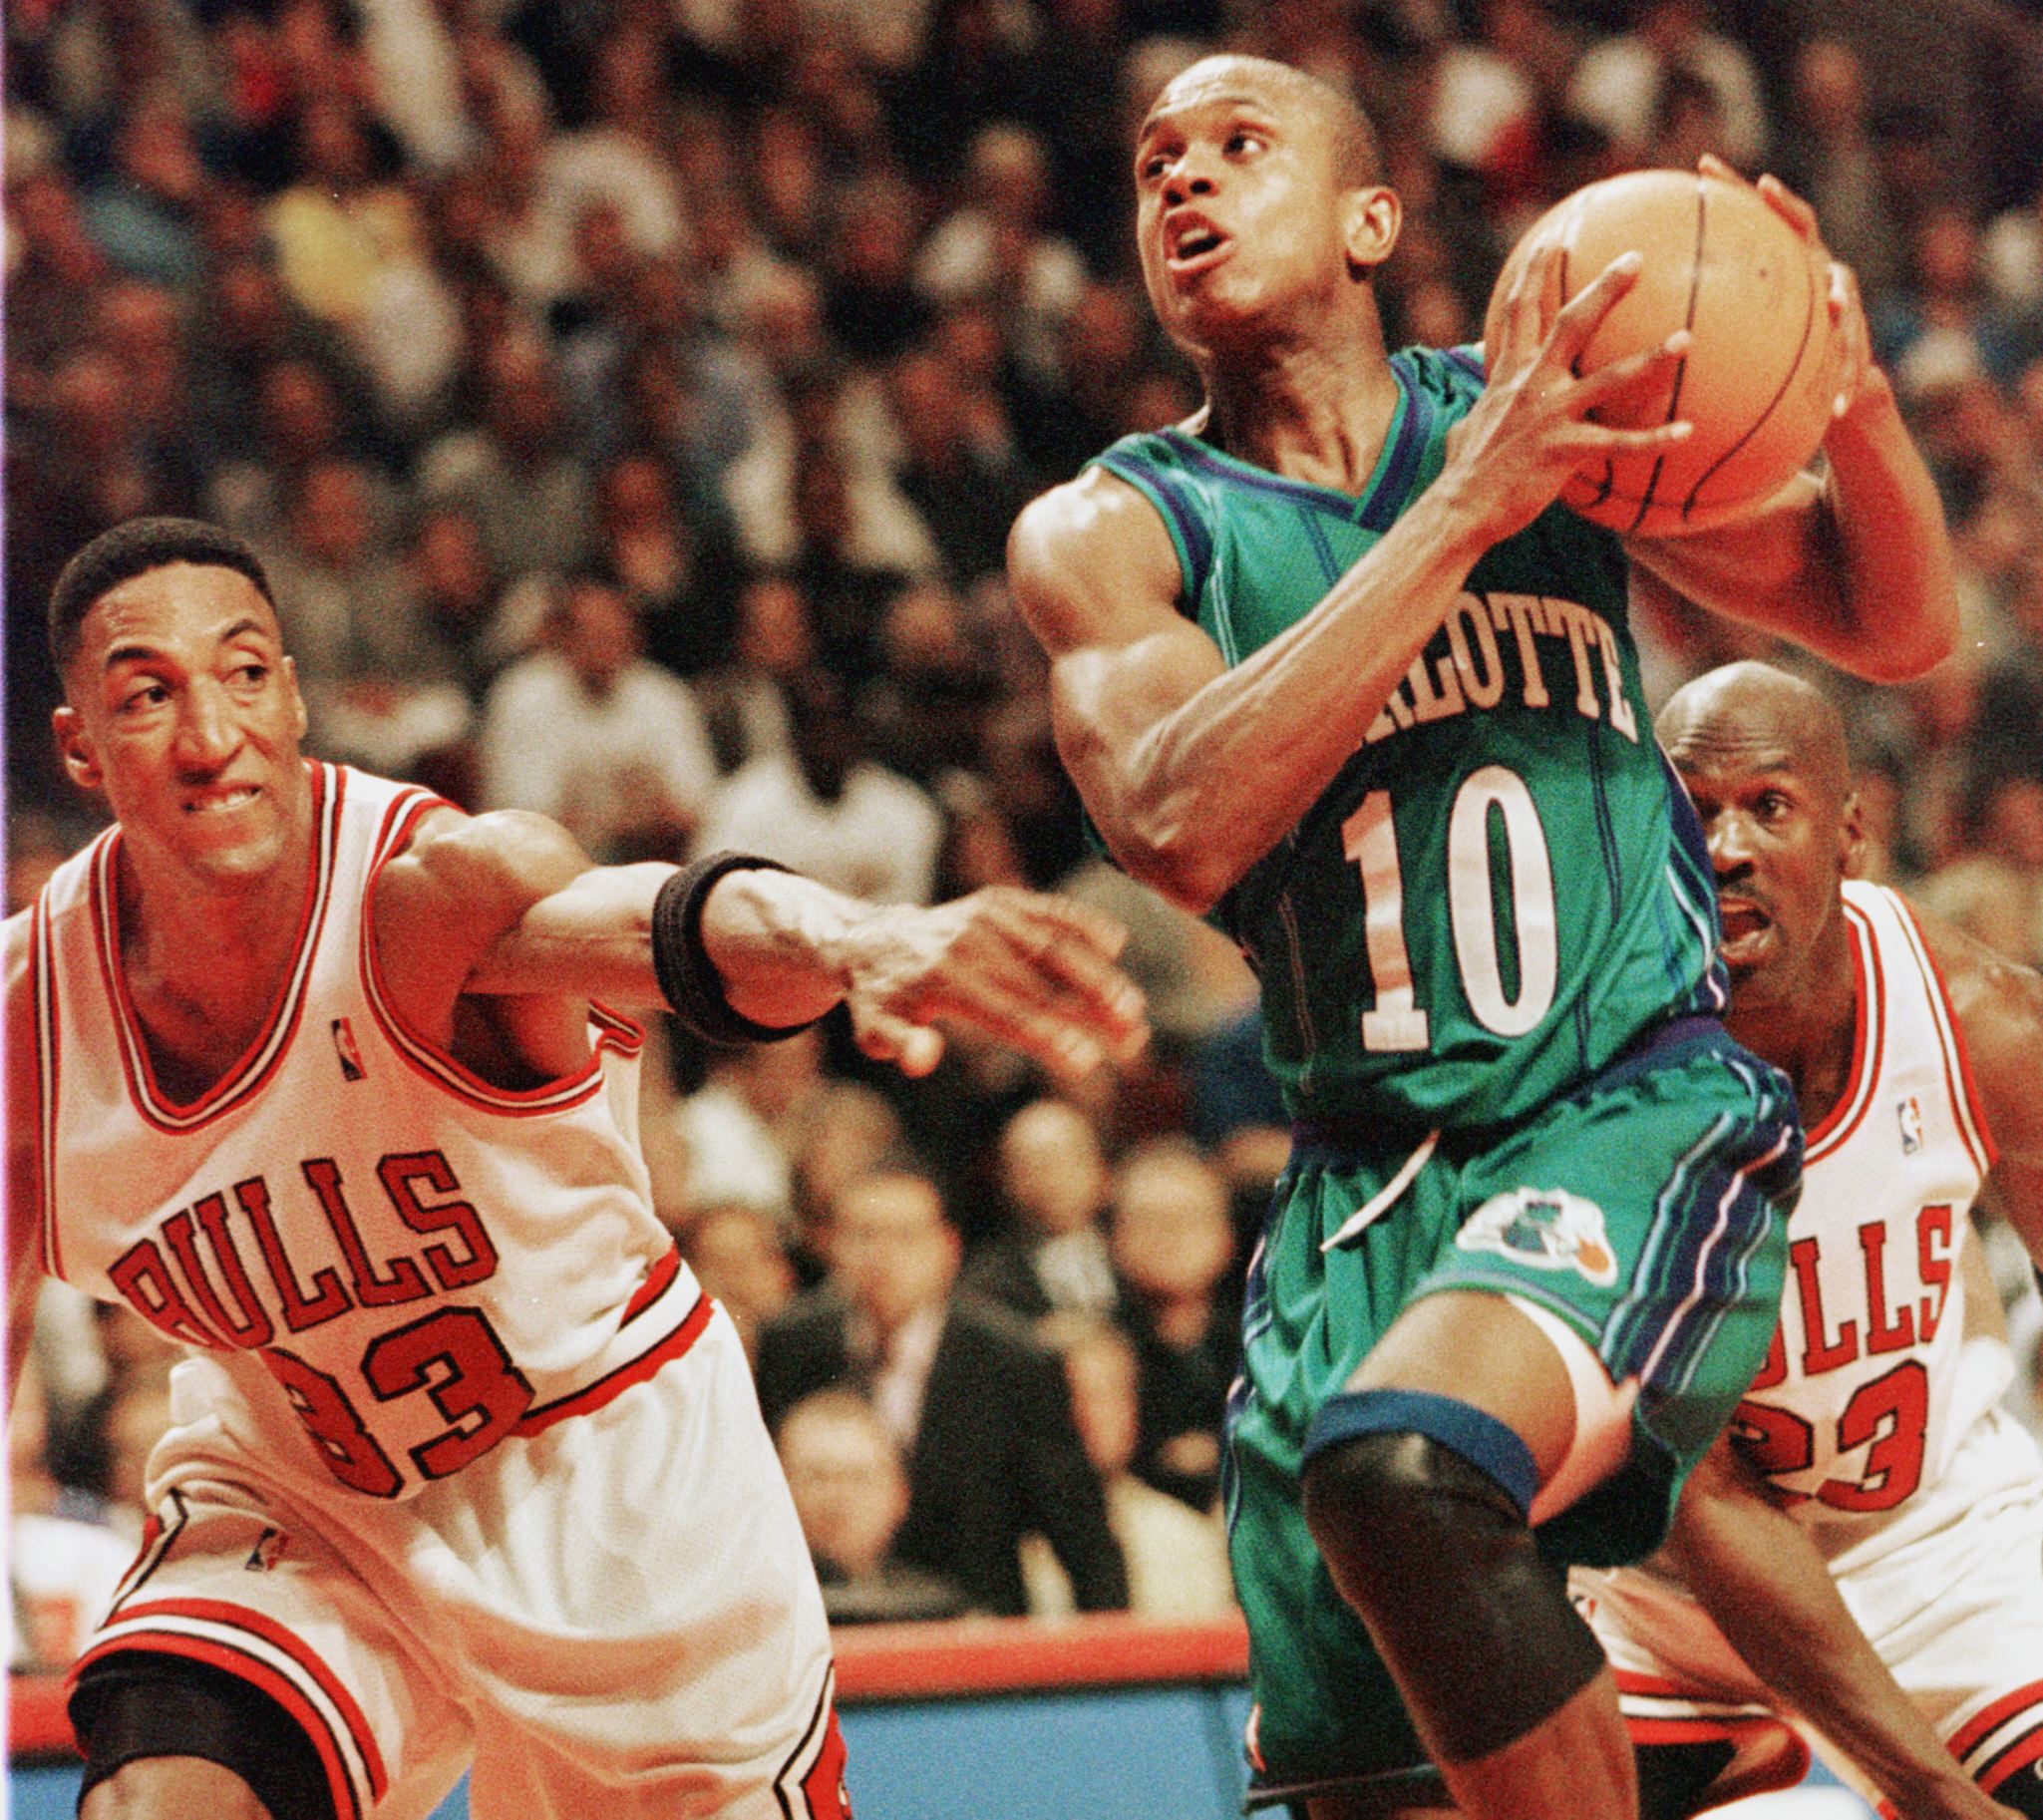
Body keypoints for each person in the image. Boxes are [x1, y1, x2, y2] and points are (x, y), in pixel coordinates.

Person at [1006, 52, 1957, 1820]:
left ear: (1371, 220)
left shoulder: (1545, 417)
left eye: (1236, 147)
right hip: (1359, 1189)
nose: (1184, 183)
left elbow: (1890, 625)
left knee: (1398, 1472)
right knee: (1362, 1781)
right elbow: (1174, 822)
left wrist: (1847, 402)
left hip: (1617, 1106)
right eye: (1152, 167)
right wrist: (1463, 510)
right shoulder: (1111, 529)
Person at [3, 516, 1148, 1820]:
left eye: (247, 672)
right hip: (310, 1501)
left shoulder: (426, 895)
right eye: (149, 693)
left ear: (298, 694)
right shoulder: (31, 1032)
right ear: (78, 745)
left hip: (610, 1489)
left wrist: (858, 935)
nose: (212, 735)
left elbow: (663, 926)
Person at [1572, 661, 2043, 1820]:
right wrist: (1935, 1797)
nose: (1724, 846)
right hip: (1669, 1591)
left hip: (1941, 1540)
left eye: (1767, 807)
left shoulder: (1981, 1019)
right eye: (1693, 811)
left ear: (1851, 838)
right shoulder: (1591, 1084)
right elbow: (1706, 1492)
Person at [753, 1168, 1129, 1619]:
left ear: (948, 1248)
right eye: (864, 1235)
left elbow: (1083, 1537)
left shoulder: (1015, 1360)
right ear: (832, 1244)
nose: (882, 1256)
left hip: (974, 1632)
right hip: (821, 1624)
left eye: (905, 1236)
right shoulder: (790, 1344)